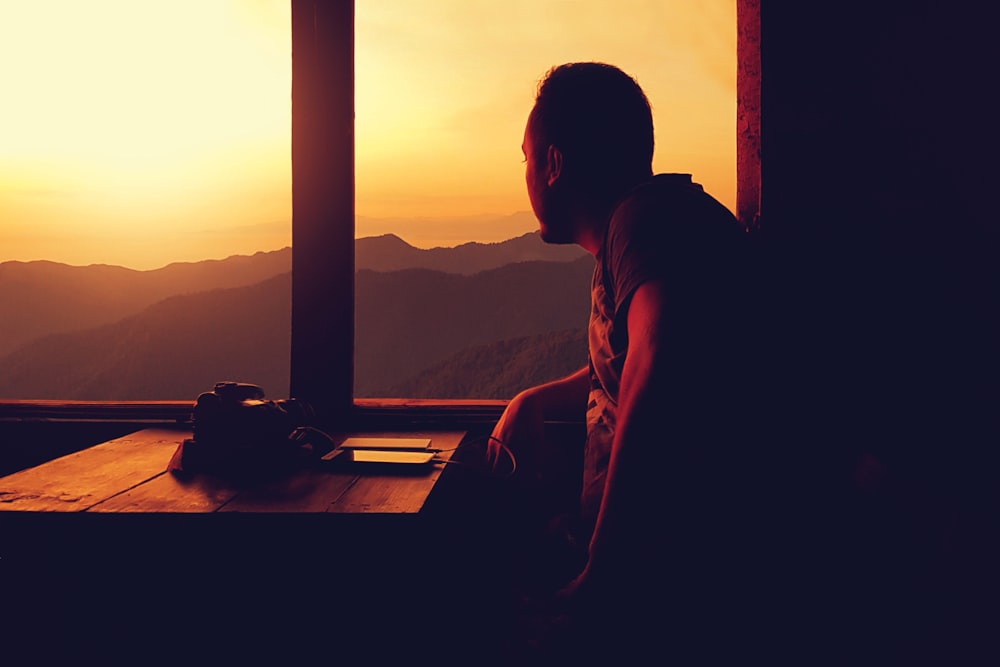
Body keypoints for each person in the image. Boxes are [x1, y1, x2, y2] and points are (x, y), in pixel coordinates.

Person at [485, 62, 759, 661]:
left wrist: (599, 580)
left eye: (527, 158)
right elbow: (639, 356)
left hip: (673, 589)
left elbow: (659, 362)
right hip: (659, 573)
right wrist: (532, 399)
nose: (527, 175)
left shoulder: (646, 220)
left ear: (554, 164)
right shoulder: (647, 225)